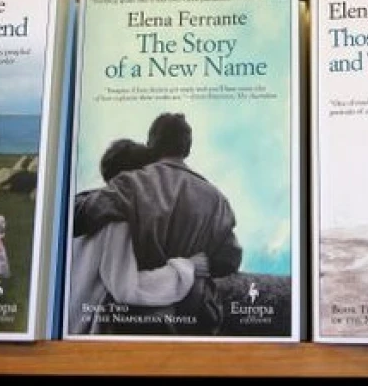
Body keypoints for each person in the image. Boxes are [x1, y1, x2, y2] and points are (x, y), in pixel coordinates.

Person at [73, 113, 242, 335]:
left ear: (151, 144)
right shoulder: (217, 200)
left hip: (132, 319)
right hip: (192, 319)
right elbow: (229, 259)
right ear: (187, 148)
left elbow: (80, 215)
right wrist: (194, 262)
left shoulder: (131, 183)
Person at [67, 138, 210, 335]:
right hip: (92, 333)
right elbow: (127, 289)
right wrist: (188, 267)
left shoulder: (83, 206)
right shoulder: (119, 218)